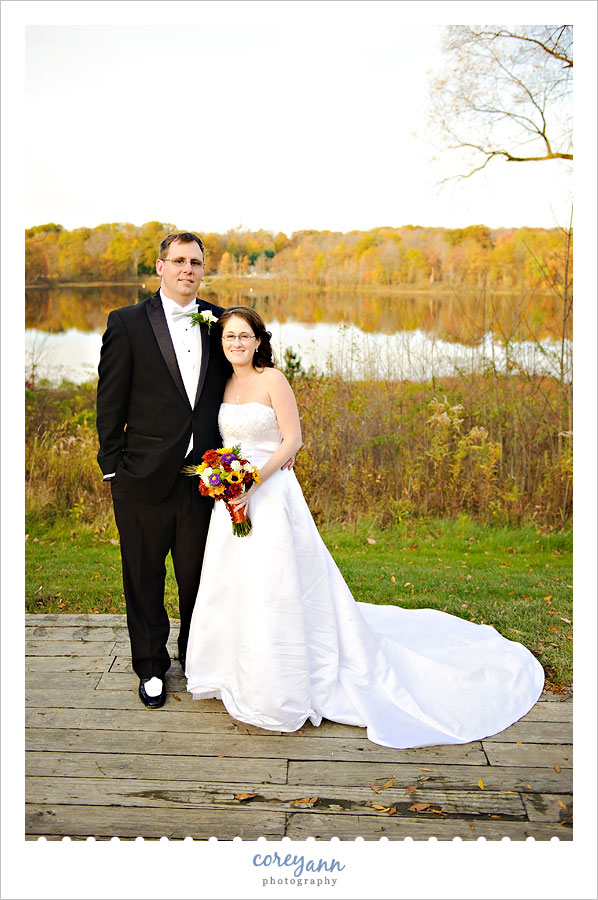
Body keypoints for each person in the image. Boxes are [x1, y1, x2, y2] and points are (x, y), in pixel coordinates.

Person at [185, 307, 545, 749]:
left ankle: (283, 678)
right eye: (228, 337)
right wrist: (223, 479)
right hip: (231, 500)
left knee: (275, 582)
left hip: (271, 494)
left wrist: (253, 482)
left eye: (244, 336)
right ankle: (232, 671)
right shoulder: (221, 383)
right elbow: (223, 443)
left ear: (259, 340)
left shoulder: (273, 380)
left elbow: (292, 439)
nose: (236, 343)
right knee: (233, 583)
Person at [96, 231, 229, 709]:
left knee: (199, 577)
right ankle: (150, 667)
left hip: (203, 479)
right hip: (140, 478)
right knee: (143, 576)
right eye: (178, 261)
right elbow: (109, 401)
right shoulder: (128, 322)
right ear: (160, 267)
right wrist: (113, 468)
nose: (187, 269)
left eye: (195, 262)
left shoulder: (220, 321)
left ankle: (194, 657)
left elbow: (245, 379)